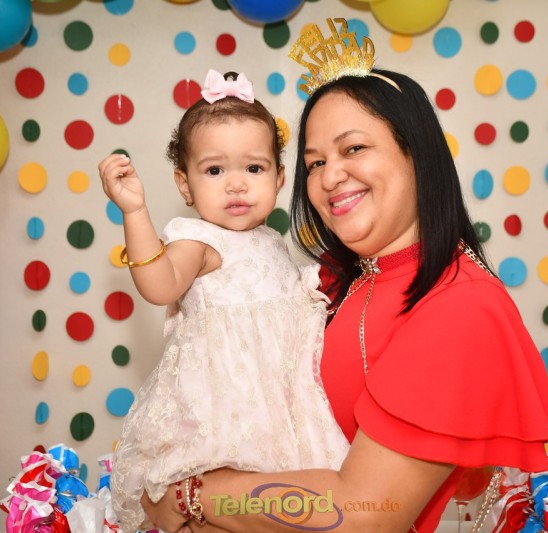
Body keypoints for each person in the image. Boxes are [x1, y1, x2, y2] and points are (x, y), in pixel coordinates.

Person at [138, 18, 548, 533]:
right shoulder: (335, 281)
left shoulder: (462, 307)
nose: (329, 176)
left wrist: (192, 496)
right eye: (314, 162)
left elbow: (361, 513)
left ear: (418, 154)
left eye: (353, 148)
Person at [97, 69, 350, 533]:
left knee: (287, 508)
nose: (236, 184)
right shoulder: (198, 241)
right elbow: (160, 285)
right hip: (225, 411)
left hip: (287, 409)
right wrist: (134, 212)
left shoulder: (274, 242)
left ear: (279, 178)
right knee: (221, 509)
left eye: (254, 168)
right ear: (184, 184)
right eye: (215, 170)